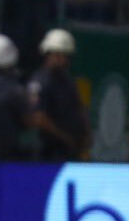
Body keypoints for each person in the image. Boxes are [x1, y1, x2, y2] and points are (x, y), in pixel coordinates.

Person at [28, 29, 89, 161]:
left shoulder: (66, 80)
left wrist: (85, 132)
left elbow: (77, 106)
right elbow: (38, 117)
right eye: (59, 55)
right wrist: (65, 137)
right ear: (49, 54)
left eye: (66, 56)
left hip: (69, 150)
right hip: (49, 151)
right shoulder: (40, 81)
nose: (64, 60)